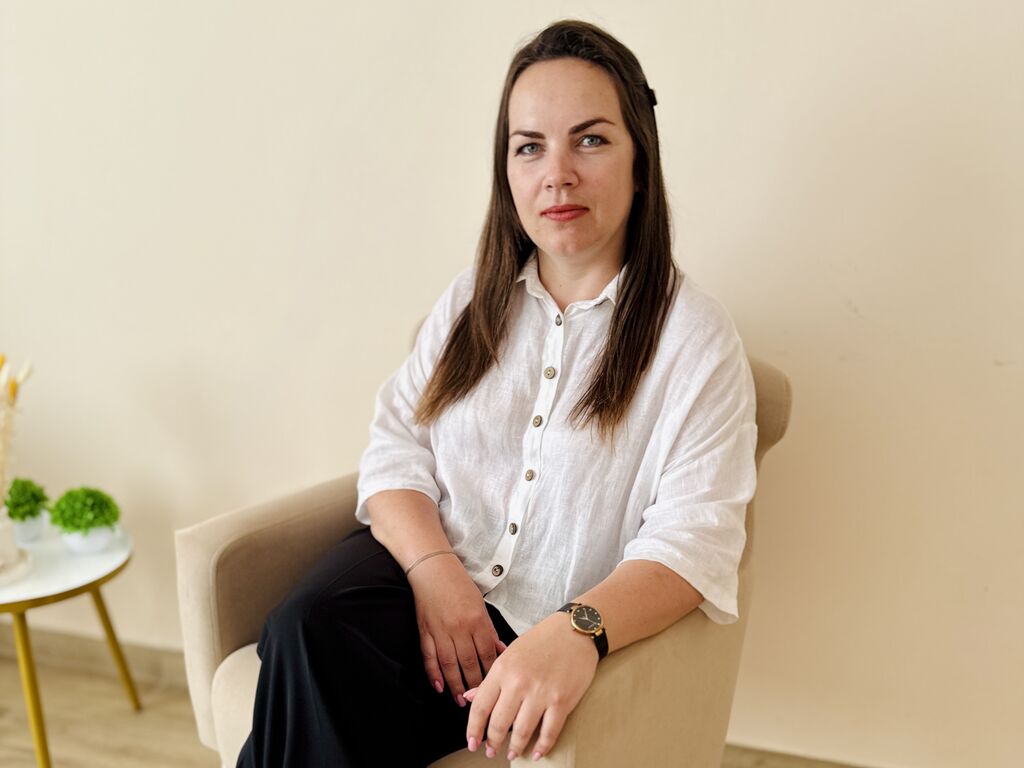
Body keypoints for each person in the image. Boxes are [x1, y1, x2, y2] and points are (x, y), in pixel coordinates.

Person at [236, 18, 757, 768]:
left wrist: (576, 631)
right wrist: (436, 574)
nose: (557, 174)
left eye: (590, 140)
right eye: (529, 147)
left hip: (539, 627)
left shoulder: (695, 340)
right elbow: (395, 450)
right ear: (506, 170)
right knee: (301, 629)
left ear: (641, 159)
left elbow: (695, 539)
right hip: (425, 582)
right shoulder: (471, 301)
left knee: (306, 713)